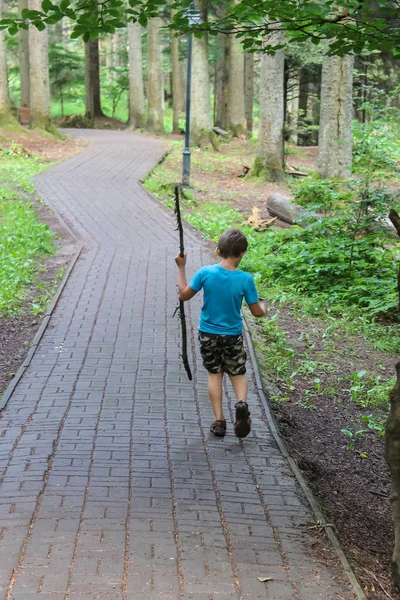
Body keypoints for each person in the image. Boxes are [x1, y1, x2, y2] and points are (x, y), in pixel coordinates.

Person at [175, 229, 267, 439]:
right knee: (237, 372)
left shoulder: (206, 273)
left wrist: (181, 268)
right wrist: (264, 308)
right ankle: (241, 404)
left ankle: (219, 421)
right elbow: (255, 312)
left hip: (208, 333)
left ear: (218, 251)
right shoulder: (245, 279)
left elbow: (183, 295)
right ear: (242, 253)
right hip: (232, 335)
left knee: (214, 374)